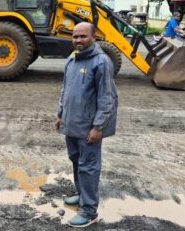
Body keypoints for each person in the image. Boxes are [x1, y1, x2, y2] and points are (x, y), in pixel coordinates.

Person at [54, 22, 118, 228]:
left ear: (94, 38)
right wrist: (60, 114)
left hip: (89, 128)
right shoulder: (72, 59)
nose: (78, 40)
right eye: (75, 37)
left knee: (88, 168)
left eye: (83, 36)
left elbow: (107, 99)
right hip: (71, 124)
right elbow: (66, 89)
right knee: (76, 160)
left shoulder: (101, 62)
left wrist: (98, 127)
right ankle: (81, 196)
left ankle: (90, 211)